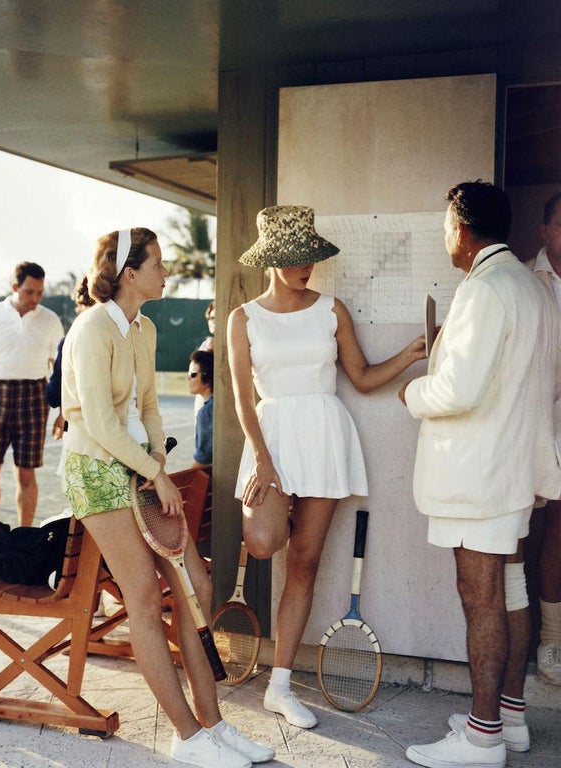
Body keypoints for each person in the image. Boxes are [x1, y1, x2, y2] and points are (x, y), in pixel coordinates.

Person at [61, 227, 274, 768]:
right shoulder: (90, 330)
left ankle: (214, 725)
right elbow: (102, 423)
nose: (167, 272)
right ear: (129, 273)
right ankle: (185, 735)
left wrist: (156, 462)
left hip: (137, 470)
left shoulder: (145, 327)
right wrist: (155, 474)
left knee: (195, 586)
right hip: (95, 472)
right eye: (158, 264)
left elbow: (151, 407)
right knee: (145, 598)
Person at [227, 204, 426, 729]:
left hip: (324, 435)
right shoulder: (243, 317)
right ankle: (277, 671)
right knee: (264, 542)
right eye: (295, 258)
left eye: (310, 257)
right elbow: (243, 400)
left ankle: (280, 684)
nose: (305, 267)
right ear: (271, 260)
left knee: (306, 563)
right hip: (270, 438)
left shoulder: (331, 308)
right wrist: (264, 463)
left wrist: (411, 353)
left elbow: (359, 377)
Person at [400, 181, 561, 768]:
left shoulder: (486, 288)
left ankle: (482, 735)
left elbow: (457, 390)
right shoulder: (531, 287)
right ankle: (510, 716)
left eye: (447, 224)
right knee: (509, 589)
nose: (446, 234)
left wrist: (412, 391)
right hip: (513, 468)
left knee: (482, 597)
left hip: (477, 476)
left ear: (463, 230)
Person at [0, 262, 64, 530]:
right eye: (29, 292)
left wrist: (63, 412)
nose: (35, 299)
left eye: (40, 293)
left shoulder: (50, 320)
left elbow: (62, 368)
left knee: (26, 474)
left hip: (34, 397)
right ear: (15, 287)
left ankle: (24, 537)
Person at [527, 191, 561, 687]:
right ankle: (549, 640)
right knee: (546, 527)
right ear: (545, 230)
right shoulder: (525, 282)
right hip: (540, 423)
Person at [46, 274, 95, 441]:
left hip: (81, 432)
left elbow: (54, 395)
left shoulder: (70, 343)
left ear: (80, 303)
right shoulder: (130, 335)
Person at [188, 349, 213, 467]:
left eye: (193, 375)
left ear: (207, 377)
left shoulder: (206, 412)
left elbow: (202, 461)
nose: (189, 379)